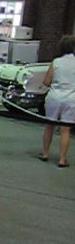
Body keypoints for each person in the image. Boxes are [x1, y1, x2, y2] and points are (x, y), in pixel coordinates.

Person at [39, 35, 75, 168]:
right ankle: (62, 159)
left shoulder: (56, 62)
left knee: (49, 126)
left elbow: (46, 81)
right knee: (66, 130)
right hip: (71, 99)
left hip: (54, 97)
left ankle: (45, 153)